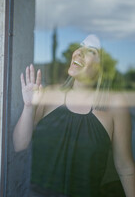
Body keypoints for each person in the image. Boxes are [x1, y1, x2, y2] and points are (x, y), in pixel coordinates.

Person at [13, 35, 135, 197]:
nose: (78, 53)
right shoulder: (50, 94)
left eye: (91, 51)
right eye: (80, 46)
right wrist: (28, 107)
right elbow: (19, 145)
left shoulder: (115, 107)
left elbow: (125, 168)